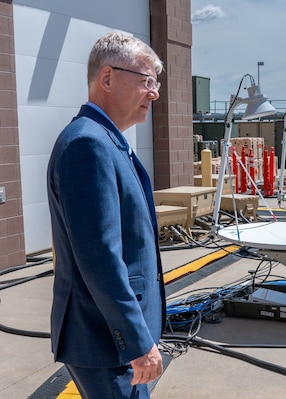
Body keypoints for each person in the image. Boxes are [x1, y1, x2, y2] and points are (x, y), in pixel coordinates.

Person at [47, 31, 166, 399]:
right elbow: (100, 257)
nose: (155, 93)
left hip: (112, 339)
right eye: (147, 81)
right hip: (106, 342)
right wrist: (137, 343)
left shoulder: (107, 140)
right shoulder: (88, 145)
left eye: (156, 82)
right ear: (108, 78)